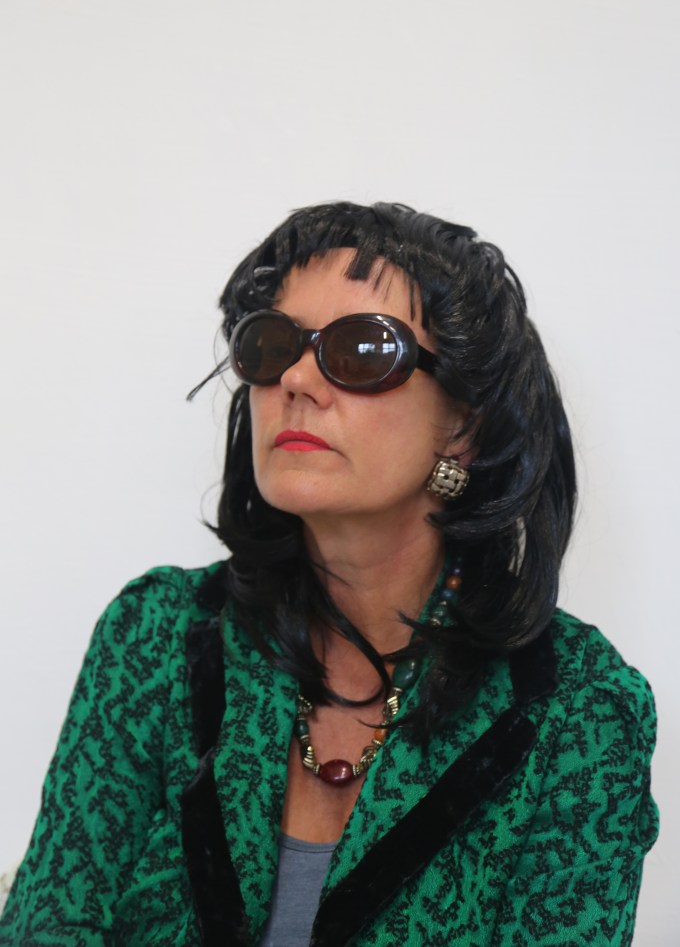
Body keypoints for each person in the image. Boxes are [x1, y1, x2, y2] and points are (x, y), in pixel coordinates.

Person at [0, 202, 658, 946]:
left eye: (363, 350)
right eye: (272, 344)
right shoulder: (154, 636)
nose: (296, 378)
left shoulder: (577, 709)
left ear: (465, 426)